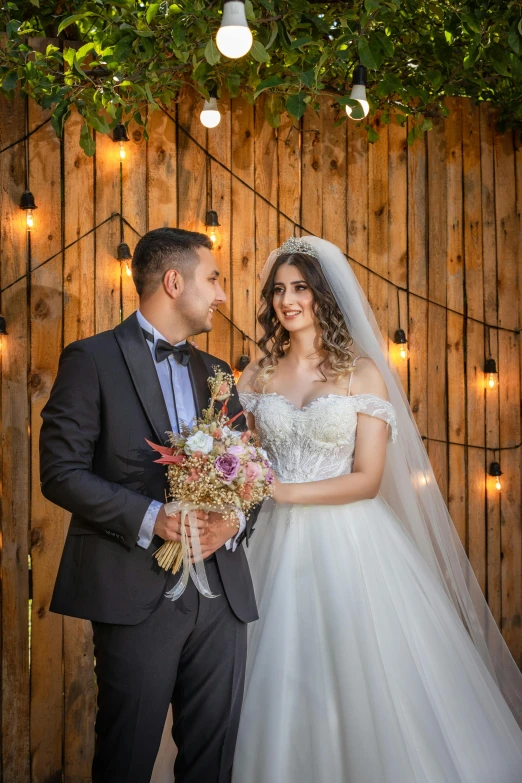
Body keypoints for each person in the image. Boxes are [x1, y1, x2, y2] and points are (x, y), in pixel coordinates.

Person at [232, 236, 522, 783]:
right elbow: (239, 456)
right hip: (265, 539)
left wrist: (281, 491)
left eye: (300, 289)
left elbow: (365, 480)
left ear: (324, 296)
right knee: (267, 668)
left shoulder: (359, 373)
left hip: (348, 540)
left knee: (358, 670)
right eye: (278, 290)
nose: (287, 301)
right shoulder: (257, 374)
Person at [40, 228, 259, 783]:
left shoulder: (219, 374)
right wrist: (152, 518)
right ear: (173, 281)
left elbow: (250, 475)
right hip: (134, 592)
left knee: (214, 763)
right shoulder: (91, 359)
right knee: (127, 759)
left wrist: (230, 523)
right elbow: (61, 473)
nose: (221, 295)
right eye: (213, 279)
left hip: (222, 599)